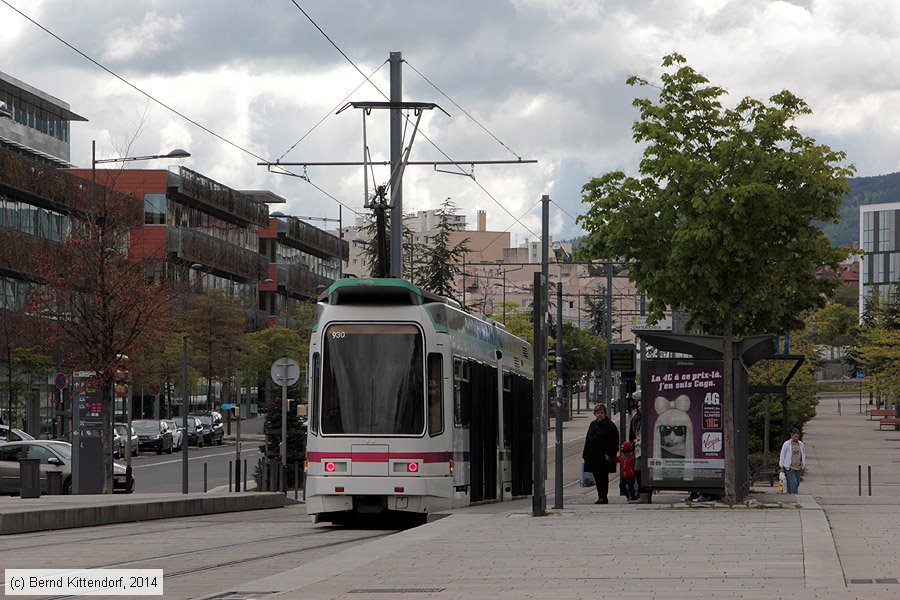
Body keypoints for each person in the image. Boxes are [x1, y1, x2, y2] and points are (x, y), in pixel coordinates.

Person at [582, 403, 619, 504]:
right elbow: (588, 440)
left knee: (603, 476)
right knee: (597, 476)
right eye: (597, 413)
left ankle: (603, 496)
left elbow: (615, 442)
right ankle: (600, 495)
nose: (599, 415)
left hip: (604, 456)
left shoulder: (610, 425)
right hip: (593, 456)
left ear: (605, 413)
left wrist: (610, 454)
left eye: (601, 413)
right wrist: (585, 455)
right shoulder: (593, 424)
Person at [628, 396, 652, 504]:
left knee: (641, 471)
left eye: (642, 406)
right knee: (639, 471)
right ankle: (644, 495)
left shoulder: (650, 418)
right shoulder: (636, 419)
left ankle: (645, 495)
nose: (640, 408)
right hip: (638, 447)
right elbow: (632, 434)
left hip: (647, 448)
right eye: (638, 406)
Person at [779, 428, 806, 493]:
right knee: (793, 482)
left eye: (797, 437)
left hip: (798, 467)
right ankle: (795, 496)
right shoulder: (787, 444)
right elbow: (783, 455)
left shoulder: (801, 444)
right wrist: (781, 466)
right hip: (789, 467)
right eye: (795, 436)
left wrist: (803, 464)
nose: (796, 438)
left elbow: (803, 454)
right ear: (792, 435)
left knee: (797, 482)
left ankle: (789, 492)